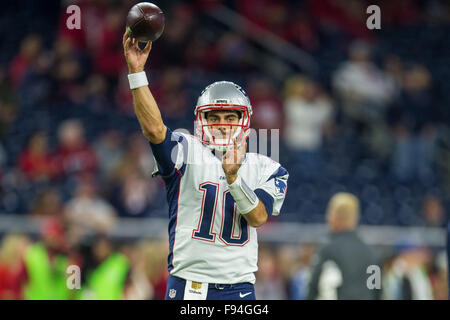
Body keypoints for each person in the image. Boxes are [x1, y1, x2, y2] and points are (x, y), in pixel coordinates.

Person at [123, 31, 288, 300]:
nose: (222, 123)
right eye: (214, 116)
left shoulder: (266, 167)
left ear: (244, 121)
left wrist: (233, 179)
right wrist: (137, 72)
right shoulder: (186, 151)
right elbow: (154, 130)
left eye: (230, 116)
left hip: (240, 289)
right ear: (201, 120)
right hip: (190, 286)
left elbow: (258, 217)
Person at [307, 192, 379, 300]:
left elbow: (313, 289)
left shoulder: (327, 251)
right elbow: (376, 292)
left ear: (334, 217)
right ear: (355, 218)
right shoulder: (373, 254)